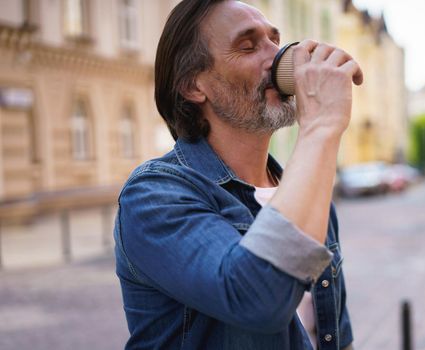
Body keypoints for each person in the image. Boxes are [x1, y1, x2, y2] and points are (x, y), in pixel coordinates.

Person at [114, 0, 363, 349]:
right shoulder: (154, 195)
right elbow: (256, 299)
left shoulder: (306, 192)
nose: (276, 57)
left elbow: (335, 335)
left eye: (274, 41)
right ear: (193, 86)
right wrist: (320, 128)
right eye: (248, 46)